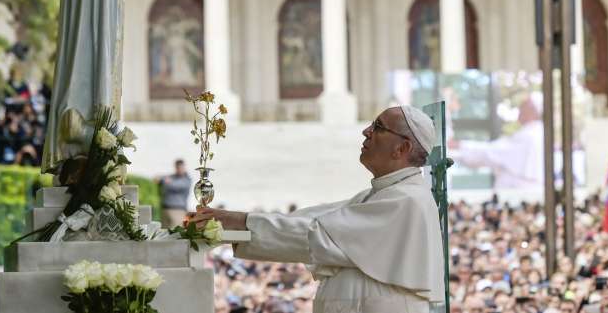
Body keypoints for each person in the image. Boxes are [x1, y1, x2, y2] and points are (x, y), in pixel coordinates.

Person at [189, 106, 445, 313]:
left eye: (378, 127)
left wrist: (243, 223)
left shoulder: (408, 200)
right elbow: (316, 218)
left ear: (402, 148)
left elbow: (320, 234)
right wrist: (239, 223)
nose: (366, 131)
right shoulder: (379, 195)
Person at [159, 159, 192, 228]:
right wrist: (164, 180)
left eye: (180, 167)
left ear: (184, 167)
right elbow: (160, 178)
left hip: (178, 211)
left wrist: (166, 181)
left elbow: (175, 185)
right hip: (165, 209)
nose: (179, 169)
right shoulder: (172, 177)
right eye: (177, 167)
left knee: (175, 234)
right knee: (163, 234)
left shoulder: (187, 180)